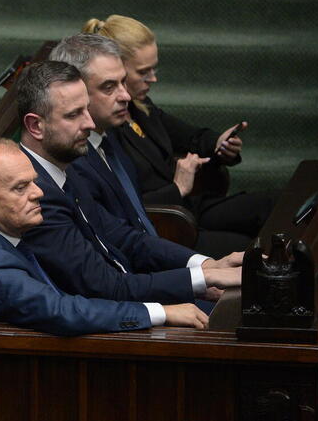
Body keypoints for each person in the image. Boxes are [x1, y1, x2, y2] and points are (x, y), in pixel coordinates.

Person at [15, 61, 243, 306]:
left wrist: (206, 265)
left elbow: (123, 237)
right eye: (73, 115)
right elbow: (103, 286)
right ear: (36, 126)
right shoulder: (34, 194)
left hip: (127, 292)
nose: (89, 124)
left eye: (87, 110)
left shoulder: (64, 168)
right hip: (111, 314)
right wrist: (200, 279)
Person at [0, 136, 210, 336]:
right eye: (21, 187)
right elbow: (59, 311)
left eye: (34, 181)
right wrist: (160, 312)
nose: (38, 193)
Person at [80, 16, 274, 249]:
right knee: (248, 249)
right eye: (143, 72)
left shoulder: (141, 107)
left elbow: (192, 137)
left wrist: (220, 144)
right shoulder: (103, 127)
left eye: (154, 68)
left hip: (188, 208)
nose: (153, 78)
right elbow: (125, 207)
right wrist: (177, 187)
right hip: (165, 223)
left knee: (274, 204)